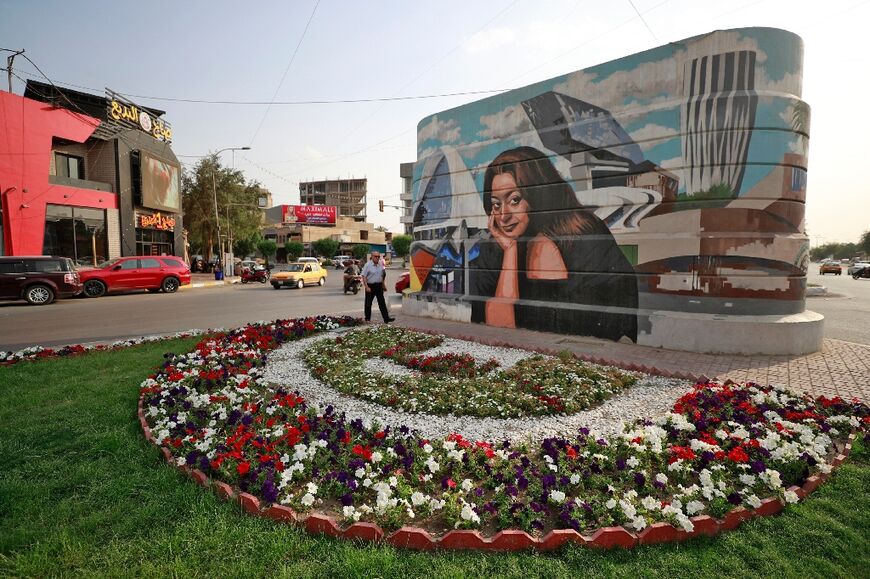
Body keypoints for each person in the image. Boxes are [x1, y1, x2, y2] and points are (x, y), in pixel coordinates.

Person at [469, 146, 637, 342]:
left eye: (515, 200)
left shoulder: (583, 234)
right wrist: (510, 253)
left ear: (538, 194)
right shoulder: (493, 249)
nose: (504, 215)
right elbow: (497, 332)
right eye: (496, 204)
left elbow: (597, 323)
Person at [360, 251, 395, 323]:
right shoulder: (368, 265)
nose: (377, 258)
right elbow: (364, 276)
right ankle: (367, 319)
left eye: (378, 256)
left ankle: (386, 318)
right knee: (368, 303)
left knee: (382, 302)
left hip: (379, 285)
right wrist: (366, 287)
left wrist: (383, 285)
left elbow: (382, 275)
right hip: (370, 286)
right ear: (372, 257)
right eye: (375, 256)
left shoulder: (380, 264)